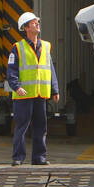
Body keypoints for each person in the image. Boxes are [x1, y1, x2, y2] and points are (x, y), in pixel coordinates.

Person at [8, 12, 58, 165]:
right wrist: (16, 87)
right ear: (26, 28)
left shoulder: (46, 46)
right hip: (23, 96)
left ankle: (39, 157)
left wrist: (55, 90)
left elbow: (50, 69)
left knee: (41, 127)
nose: (37, 24)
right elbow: (12, 71)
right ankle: (18, 158)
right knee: (22, 127)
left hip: (40, 94)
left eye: (37, 22)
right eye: (33, 22)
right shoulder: (17, 48)